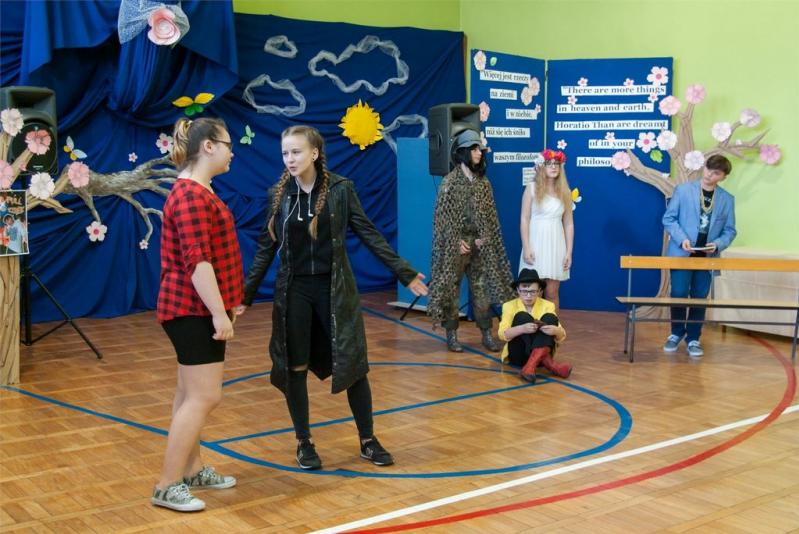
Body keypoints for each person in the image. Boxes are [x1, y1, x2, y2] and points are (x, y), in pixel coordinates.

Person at [240, 125, 428, 470]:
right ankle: (304, 441)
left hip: (335, 289)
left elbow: (369, 233)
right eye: (285, 153)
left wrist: (404, 272)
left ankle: (368, 439)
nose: (289, 159)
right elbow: (266, 248)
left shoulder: (341, 189)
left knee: (353, 364)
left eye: (296, 152)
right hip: (294, 291)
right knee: (294, 367)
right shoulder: (278, 195)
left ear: (314, 153)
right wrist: (246, 295)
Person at [152, 117, 243, 512]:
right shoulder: (190, 195)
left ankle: (190, 470)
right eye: (227, 144)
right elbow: (198, 262)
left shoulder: (198, 190)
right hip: (191, 309)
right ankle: (167, 485)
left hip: (192, 308)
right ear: (208, 146)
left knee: (189, 394)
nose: (231, 152)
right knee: (205, 396)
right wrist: (219, 313)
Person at [427, 127, 515, 353]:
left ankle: (486, 333)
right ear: (464, 152)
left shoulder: (483, 183)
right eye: (474, 149)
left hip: (479, 244)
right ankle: (452, 335)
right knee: (451, 289)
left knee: (482, 290)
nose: (479, 153)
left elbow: (490, 216)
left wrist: (485, 237)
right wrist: (456, 241)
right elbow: (442, 220)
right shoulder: (449, 183)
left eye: (480, 150)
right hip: (457, 245)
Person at [662, 154, 736, 358]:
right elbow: (669, 219)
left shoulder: (727, 199)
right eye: (708, 169)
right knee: (678, 293)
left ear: (723, 177)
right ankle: (676, 333)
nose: (709, 175)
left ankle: (693, 337)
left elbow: (730, 230)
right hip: (681, 252)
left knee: (699, 297)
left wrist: (718, 244)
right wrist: (681, 239)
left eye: (716, 173)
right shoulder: (683, 190)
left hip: (707, 257)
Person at [519, 148, 574, 310]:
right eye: (549, 163)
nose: (554, 167)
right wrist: (526, 247)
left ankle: (551, 324)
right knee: (531, 292)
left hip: (556, 246)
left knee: (552, 292)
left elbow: (569, 223)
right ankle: (529, 324)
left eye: (557, 163)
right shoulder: (531, 188)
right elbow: (524, 219)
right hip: (535, 244)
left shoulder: (565, 192)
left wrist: (568, 252)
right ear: (541, 166)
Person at [497, 268, 570, 383]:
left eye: (532, 291)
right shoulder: (509, 306)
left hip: (540, 358)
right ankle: (552, 365)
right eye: (524, 291)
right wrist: (522, 329)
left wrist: (555, 331)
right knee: (522, 316)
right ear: (518, 290)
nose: (528, 296)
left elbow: (562, 335)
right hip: (519, 355)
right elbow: (502, 334)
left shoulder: (548, 305)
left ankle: (530, 367)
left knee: (550, 317)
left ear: (540, 291)